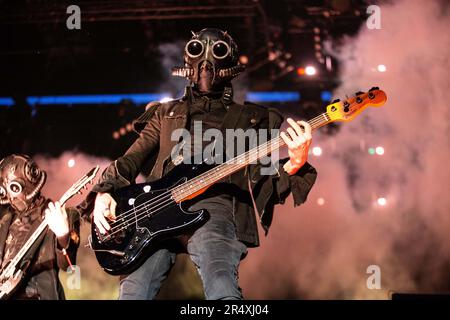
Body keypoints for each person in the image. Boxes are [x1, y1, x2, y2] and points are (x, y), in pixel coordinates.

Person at [91, 28, 317, 300]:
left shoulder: (253, 119)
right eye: (198, 51)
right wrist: (104, 192)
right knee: (134, 291)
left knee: (221, 281)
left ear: (230, 65)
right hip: (157, 207)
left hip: (216, 204)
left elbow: (266, 177)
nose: (206, 63)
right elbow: (131, 159)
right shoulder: (165, 113)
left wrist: (296, 159)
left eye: (218, 52)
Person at [0, 154, 80, 300]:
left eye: (14, 187)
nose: (11, 197)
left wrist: (63, 235)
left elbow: (70, 268)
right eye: (5, 189)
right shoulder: (4, 221)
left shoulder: (60, 214)